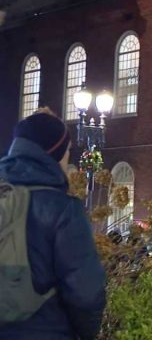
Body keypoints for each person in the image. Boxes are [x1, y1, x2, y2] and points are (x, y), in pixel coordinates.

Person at [0, 110, 106, 340]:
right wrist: (86, 332)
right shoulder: (63, 209)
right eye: (67, 151)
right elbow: (85, 292)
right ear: (54, 153)